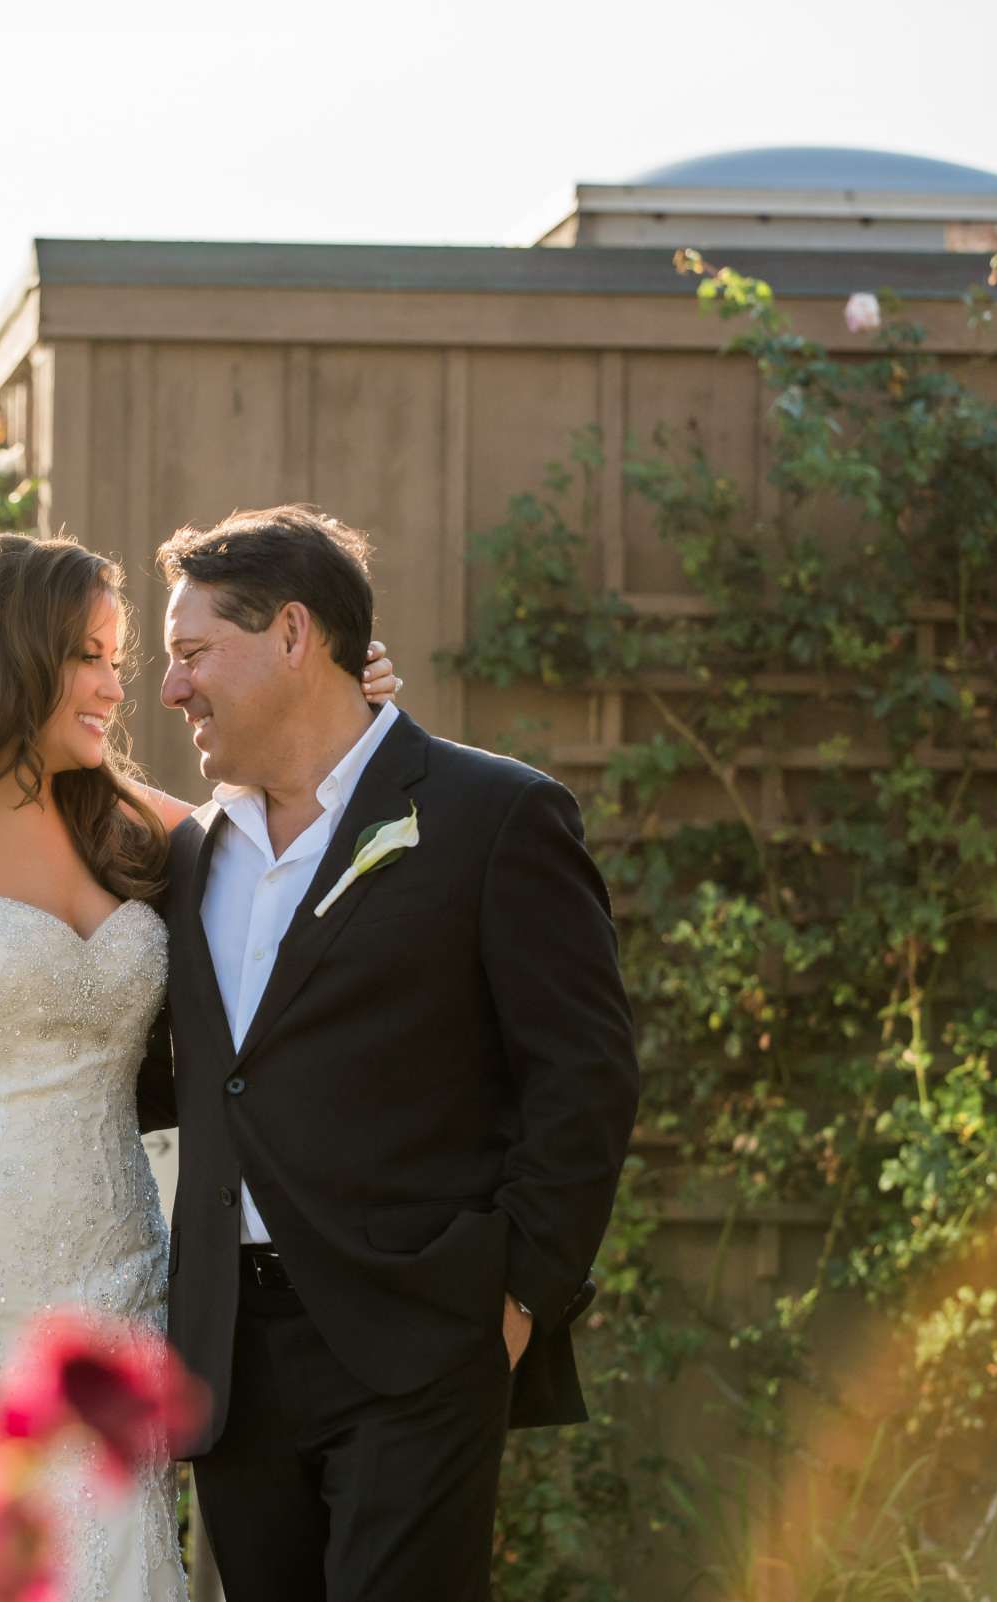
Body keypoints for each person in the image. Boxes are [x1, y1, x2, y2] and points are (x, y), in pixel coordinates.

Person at [0, 531, 401, 1602]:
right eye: (92, 657)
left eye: (120, 657)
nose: (121, 686)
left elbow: (310, 841)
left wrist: (351, 716)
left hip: (110, 1275)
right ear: (6, 655)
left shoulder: (151, 832)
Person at [142, 505, 640, 1602]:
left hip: (419, 1343)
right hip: (233, 1356)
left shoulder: (492, 815)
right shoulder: (187, 854)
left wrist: (515, 1304)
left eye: (191, 654)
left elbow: (585, 1076)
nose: (171, 689)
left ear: (291, 636)